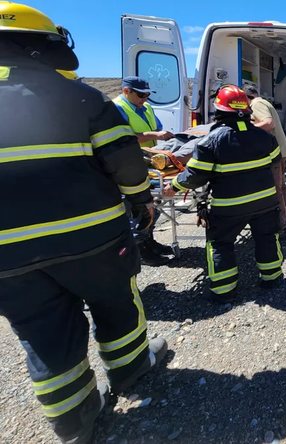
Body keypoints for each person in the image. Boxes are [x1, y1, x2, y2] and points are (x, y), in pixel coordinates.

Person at [0, 3, 168, 443]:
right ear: (42, 46)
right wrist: (140, 202)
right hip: (90, 237)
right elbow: (127, 164)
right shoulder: (80, 98)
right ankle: (131, 370)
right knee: (116, 302)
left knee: (41, 330)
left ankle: (74, 420)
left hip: (8, 255)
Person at [162, 85, 285, 303]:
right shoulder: (264, 136)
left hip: (230, 206)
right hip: (265, 201)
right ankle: (272, 278)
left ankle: (223, 290)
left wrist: (173, 186)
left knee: (220, 242)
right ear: (247, 110)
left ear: (219, 110)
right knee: (267, 237)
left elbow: (195, 175)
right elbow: (275, 160)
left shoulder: (210, 140)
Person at [113, 76, 175, 266]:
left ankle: (149, 243)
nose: (145, 99)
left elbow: (157, 127)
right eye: (141, 95)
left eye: (147, 95)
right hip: (129, 167)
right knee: (138, 211)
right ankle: (140, 251)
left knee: (151, 209)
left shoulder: (146, 108)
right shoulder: (117, 108)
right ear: (126, 91)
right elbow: (119, 138)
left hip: (148, 164)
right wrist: (151, 135)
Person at [243, 84, 286, 238]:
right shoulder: (264, 102)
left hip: (275, 154)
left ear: (248, 97)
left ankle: (281, 227)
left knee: (276, 190)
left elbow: (269, 123)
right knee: (281, 189)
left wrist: (246, 130)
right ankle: (284, 221)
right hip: (281, 151)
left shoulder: (257, 103)